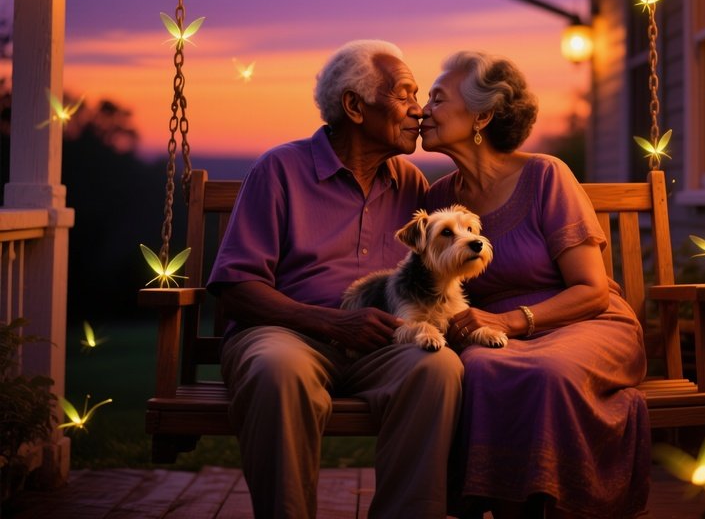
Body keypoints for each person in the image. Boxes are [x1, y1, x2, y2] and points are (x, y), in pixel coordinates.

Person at [207, 39, 463, 519]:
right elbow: (235, 288)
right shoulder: (280, 169)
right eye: (405, 94)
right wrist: (330, 323)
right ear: (354, 106)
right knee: (275, 371)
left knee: (438, 369)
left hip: (385, 344)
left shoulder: (411, 185)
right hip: (288, 335)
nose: (419, 109)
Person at [420, 50, 650, 519]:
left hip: (585, 319)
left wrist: (512, 319)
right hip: (498, 334)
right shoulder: (439, 200)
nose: (424, 110)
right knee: (481, 371)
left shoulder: (545, 175)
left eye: (437, 99)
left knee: (548, 374)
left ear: (482, 114)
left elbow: (592, 290)